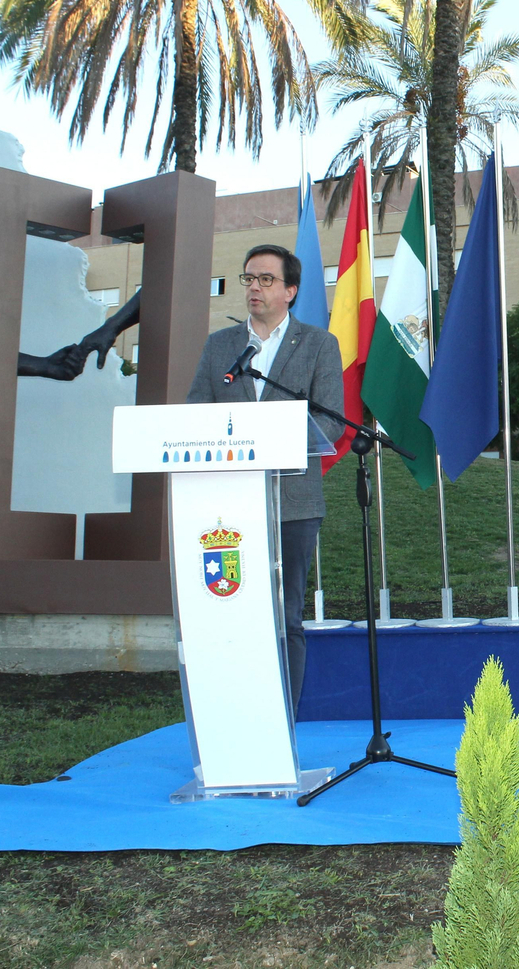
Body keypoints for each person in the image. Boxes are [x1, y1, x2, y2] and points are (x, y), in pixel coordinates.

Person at [186, 244, 345, 708]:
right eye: (249, 278)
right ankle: (237, 709)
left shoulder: (318, 344)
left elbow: (331, 420)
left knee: (285, 615)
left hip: (292, 503)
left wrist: (274, 439)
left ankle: (283, 718)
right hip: (228, 506)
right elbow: (197, 412)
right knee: (232, 609)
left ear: (290, 291)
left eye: (266, 279)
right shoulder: (221, 346)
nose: (254, 287)